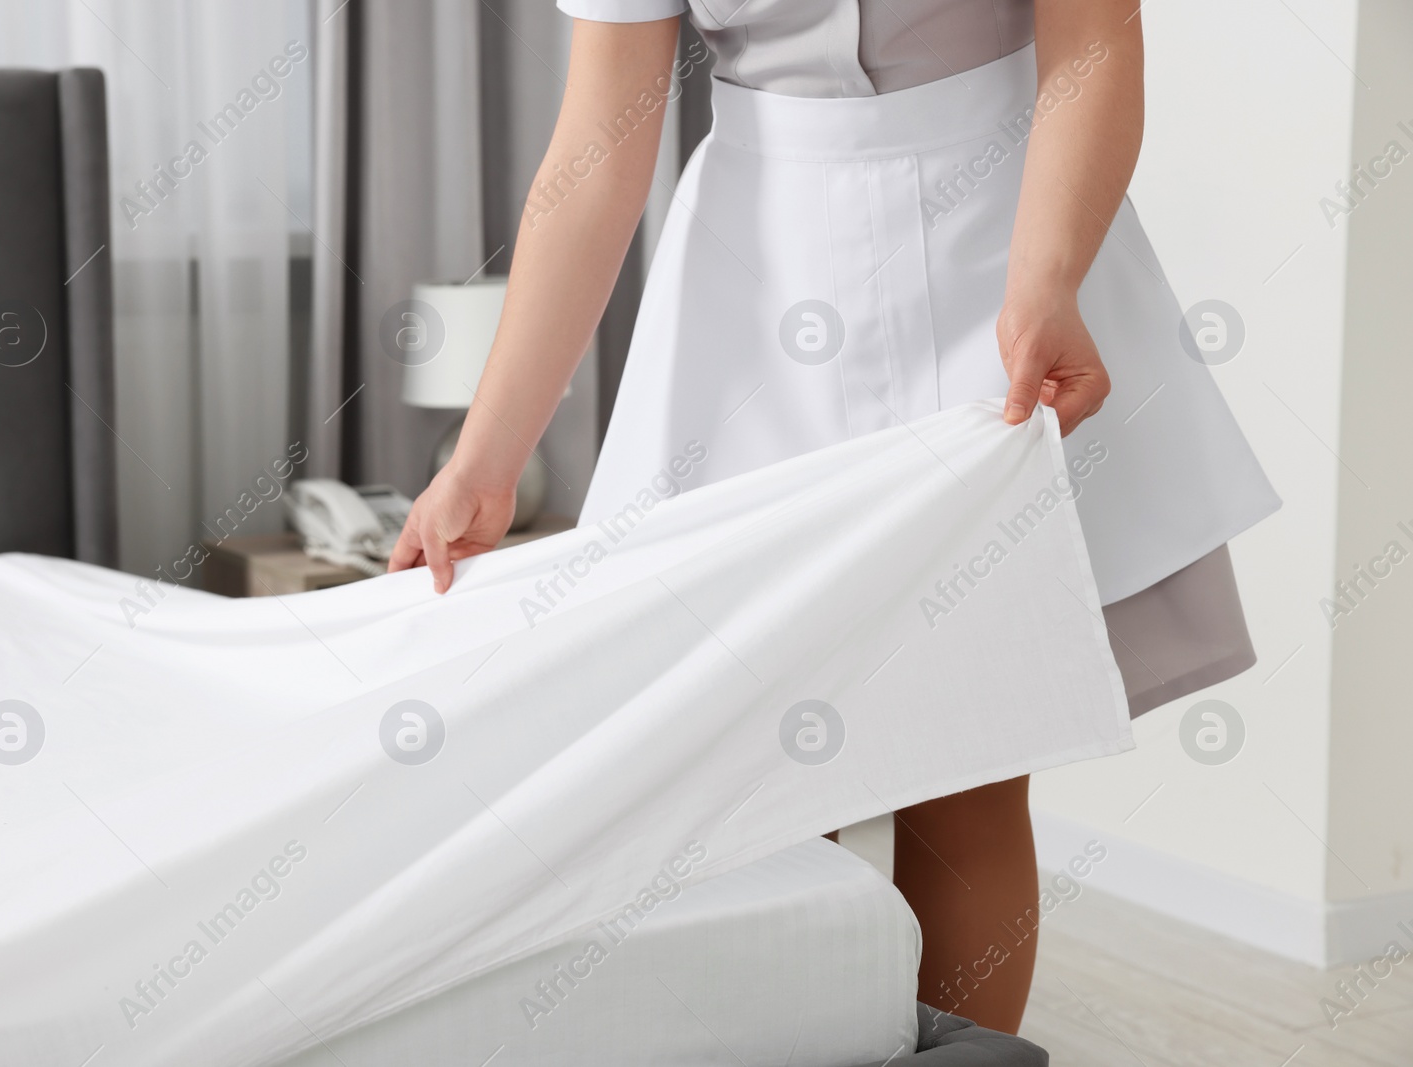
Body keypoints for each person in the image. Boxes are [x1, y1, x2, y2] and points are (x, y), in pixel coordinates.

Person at [390, 0, 1278, 1034]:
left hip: (1006, 251)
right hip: (757, 297)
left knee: (968, 769)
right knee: (760, 780)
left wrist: (1047, 281)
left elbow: (1092, 43)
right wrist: (485, 456)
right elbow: (600, 133)